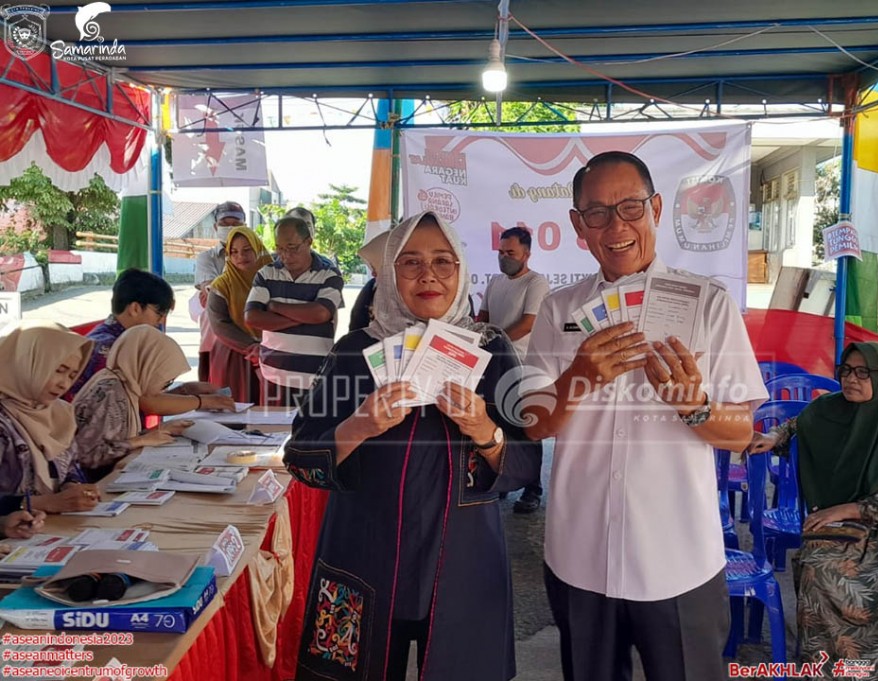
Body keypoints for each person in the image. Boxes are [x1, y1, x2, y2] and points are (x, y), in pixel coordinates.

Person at [522, 151, 767, 681]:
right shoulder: (559, 310)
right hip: (579, 551)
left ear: (656, 208)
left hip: (678, 557)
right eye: (597, 213)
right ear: (577, 225)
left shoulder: (708, 304)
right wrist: (577, 377)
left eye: (631, 207)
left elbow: (742, 432)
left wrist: (693, 404)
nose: (616, 226)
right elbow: (534, 423)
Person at [284, 211, 539, 681]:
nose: (428, 276)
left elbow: (527, 463)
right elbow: (298, 456)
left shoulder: (491, 349)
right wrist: (358, 426)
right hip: (362, 554)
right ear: (389, 272)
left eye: (443, 262)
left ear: (461, 271)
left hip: (465, 560)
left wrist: (485, 430)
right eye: (411, 262)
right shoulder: (354, 351)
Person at [747, 342, 878, 678]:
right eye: (846, 370)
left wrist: (849, 507)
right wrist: (773, 436)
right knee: (819, 570)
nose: (851, 379)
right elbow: (797, 425)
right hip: (844, 527)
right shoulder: (828, 410)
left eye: (863, 372)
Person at [65, 268, 234, 415]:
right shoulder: (108, 349)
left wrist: (185, 391)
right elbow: (146, 403)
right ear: (135, 308)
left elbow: (137, 399)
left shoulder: (119, 338)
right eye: (159, 314)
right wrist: (202, 401)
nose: (160, 322)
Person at [479, 226, 550, 513]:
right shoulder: (495, 282)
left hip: (522, 365)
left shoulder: (536, 283)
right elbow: (482, 317)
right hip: (494, 366)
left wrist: (494, 341)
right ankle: (504, 480)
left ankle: (533, 488)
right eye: (501, 252)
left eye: (510, 253)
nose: (504, 257)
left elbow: (528, 323)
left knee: (526, 427)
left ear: (527, 254)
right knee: (496, 425)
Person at [72, 326, 195, 482]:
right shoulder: (110, 394)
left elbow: (115, 437)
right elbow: (87, 456)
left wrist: (157, 431)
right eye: (166, 382)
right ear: (146, 368)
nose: (165, 389)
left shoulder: (120, 384)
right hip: (95, 484)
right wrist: (140, 441)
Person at [0, 322, 100, 514]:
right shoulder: (3, 421)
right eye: (59, 370)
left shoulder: (59, 412)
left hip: (51, 528)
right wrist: (42, 503)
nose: (64, 384)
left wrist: (71, 488)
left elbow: (70, 467)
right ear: (28, 362)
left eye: (72, 375)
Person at [245, 216, 345, 408]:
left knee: (309, 434)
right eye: (279, 248)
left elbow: (321, 314)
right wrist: (304, 318)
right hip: (274, 373)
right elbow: (252, 317)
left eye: (292, 248)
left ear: (309, 242)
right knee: (273, 432)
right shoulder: (266, 273)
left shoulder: (329, 275)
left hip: (314, 375)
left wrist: (275, 307)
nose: (285, 255)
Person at [207, 226, 274, 404]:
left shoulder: (275, 278)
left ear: (257, 248)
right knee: (234, 409)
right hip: (233, 355)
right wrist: (252, 348)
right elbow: (219, 324)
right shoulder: (221, 285)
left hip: (271, 353)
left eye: (247, 250)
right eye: (234, 252)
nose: (240, 257)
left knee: (268, 412)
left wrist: (265, 348)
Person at [195, 201, 245, 382]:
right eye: (225, 224)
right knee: (214, 387)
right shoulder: (206, 257)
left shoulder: (257, 256)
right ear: (216, 226)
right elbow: (212, 292)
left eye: (236, 224)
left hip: (246, 332)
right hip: (214, 333)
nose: (230, 228)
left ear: (244, 227)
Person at [349, 229, 389, 331]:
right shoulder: (372, 287)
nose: (373, 273)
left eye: (375, 267)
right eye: (372, 267)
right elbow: (357, 326)